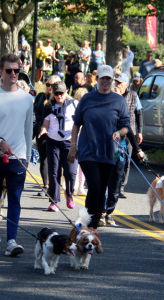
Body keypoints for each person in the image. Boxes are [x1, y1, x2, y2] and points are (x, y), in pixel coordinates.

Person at [0, 53, 33, 256]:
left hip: (17, 157)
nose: (13, 74)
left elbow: (28, 131)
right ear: (1, 72)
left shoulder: (27, 99)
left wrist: (26, 157)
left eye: (16, 70)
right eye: (8, 70)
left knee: (15, 198)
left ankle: (12, 240)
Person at [68, 65, 130, 229]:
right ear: (97, 79)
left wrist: (119, 132)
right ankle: (86, 222)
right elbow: (76, 124)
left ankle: (92, 228)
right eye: (102, 78)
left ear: (112, 80)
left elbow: (126, 126)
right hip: (88, 151)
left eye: (108, 78)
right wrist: (73, 146)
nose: (105, 81)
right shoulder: (87, 99)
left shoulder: (119, 100)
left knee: (102, 189)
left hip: (109, 151)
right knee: (94, 186)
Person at [38, 81, 78, 212]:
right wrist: (43, 130)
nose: (59, 96)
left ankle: (69, 193)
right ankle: (54, 200)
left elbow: (80, 123)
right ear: (52, 94)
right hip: (53, 142)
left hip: (69, 142)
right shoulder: (49, 106)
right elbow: (45, 123)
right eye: (56, 93)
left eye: (61, 93)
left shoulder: (74, 104)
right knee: (54, 171)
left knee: (71, 172)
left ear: (67, 92)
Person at [114, 73, 143, 198]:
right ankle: (114, 184)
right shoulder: (113, 95)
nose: (117, 85)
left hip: (130, 131)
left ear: (126, 84)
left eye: (120, 83)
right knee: (115, 159)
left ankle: (121, 187)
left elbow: (139, 113)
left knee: (127, 161)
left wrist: (140, 131)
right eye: (116, 82)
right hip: (115, 133)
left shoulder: (133, 95)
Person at [33, 75, 61, 196]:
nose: (50, 87)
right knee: (43, 159)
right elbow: (35, 112)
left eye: (53, 85)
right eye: (48, 85)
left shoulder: (59, 98)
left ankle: (55, 185)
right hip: (41, 132)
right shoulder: (40, 97)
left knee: (54, 160)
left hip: (55, 133)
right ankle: (46, 185)